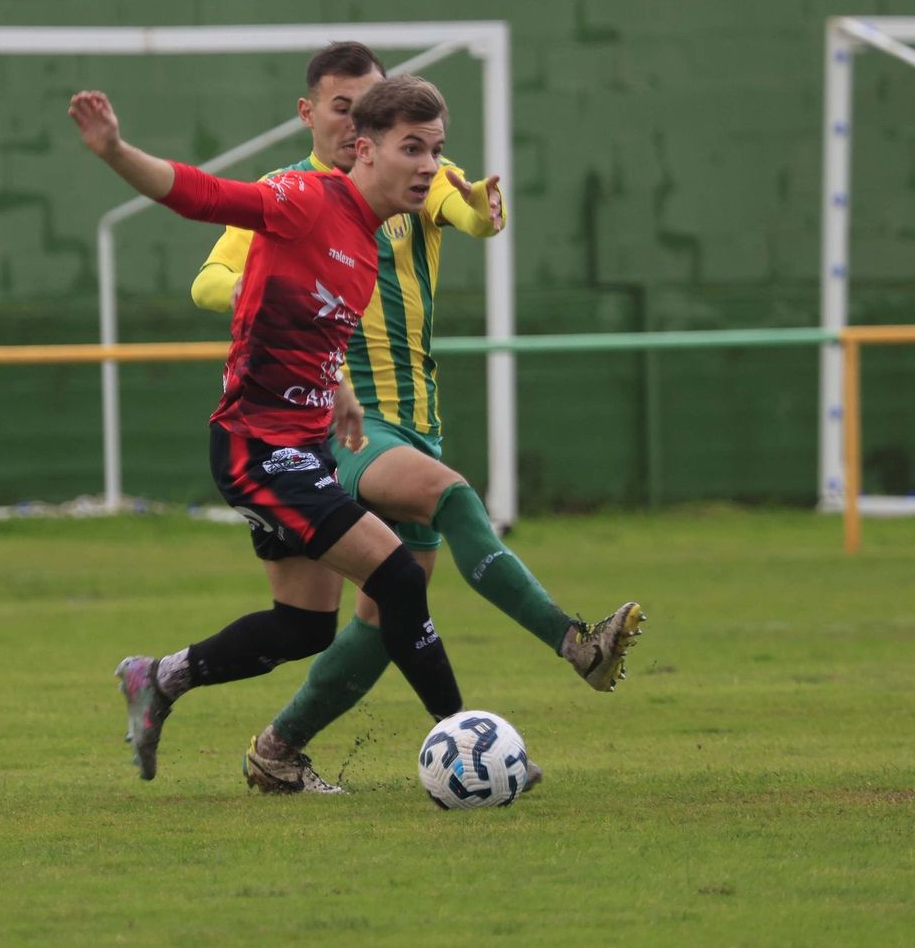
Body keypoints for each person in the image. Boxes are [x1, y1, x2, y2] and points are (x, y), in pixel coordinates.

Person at [190, 43, 644, 795]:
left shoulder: (407, 177)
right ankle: (575, 643)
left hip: (418, 420)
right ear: (318, 115)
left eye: (377, 103)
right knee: (454, 497)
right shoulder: (290, 194)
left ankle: (276, 750)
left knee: (382, 616)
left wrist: (483, 211)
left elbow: (463, 210)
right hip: (350, 430)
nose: (363, 119)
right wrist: (268, 294)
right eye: (346, 106)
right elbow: (209, 278)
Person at [68, 75, 473, 783]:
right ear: (364, 150)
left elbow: (307, 328)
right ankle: (467, 741)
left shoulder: (367, 238)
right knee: (400, 575)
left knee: (305, 625)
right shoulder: (305, 199)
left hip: (304, 440)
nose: (431, 167)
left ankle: (158, 678)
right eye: (414, 148)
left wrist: (338, 388)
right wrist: (115, 151)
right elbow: (200, 194)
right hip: (260, 447)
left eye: (437, 150)